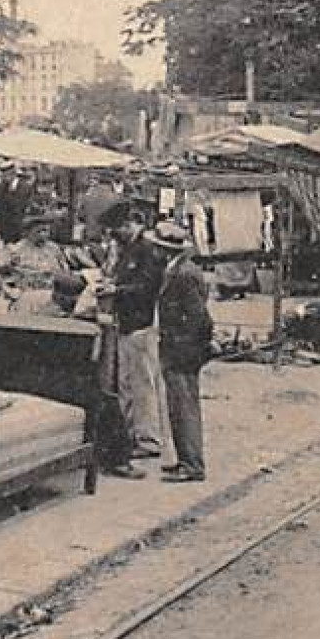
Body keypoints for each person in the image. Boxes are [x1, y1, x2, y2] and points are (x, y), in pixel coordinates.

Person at [103, 206, 172, 469]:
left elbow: (146, 288)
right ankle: (132, 435)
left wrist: (116, 290)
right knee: (127, 384)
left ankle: (149, 440)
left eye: (118, 230)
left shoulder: (147, 250)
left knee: (143, 385)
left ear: (129, 224)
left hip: (141, 324)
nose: (115, 236)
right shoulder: (129, 248)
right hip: (127, 324)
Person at [152, 222, 213, 483]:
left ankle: (192, 465)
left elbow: (200, 317)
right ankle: (186, 460)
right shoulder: (178, 269)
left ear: (165, 250)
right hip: (181, 348)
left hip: (182, 350)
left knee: (183, 406)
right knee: (179, 407)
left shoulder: (183, 274)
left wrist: (184, 344)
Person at [0, 214, 69, 289]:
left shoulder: (54, 248)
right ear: (28, 232)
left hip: (51, 288)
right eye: (38, 231)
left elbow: (65, 270)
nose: (43, 235)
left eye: (46, 231)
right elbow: (4, 269)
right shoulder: (16, 249)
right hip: (25, 289)